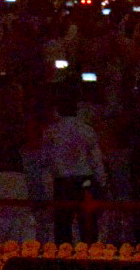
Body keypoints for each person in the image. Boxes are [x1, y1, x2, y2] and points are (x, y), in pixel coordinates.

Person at [37, 91, 107, 242]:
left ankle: (64, 259)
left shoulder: (51, 132)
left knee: (63, 226)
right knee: (88, 226)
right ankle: (89, 256)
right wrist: (101, 183)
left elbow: (45, 161)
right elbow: (96, 160)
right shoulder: (86, 130)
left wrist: (47, 189)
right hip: (85, 181)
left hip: (63, 183)